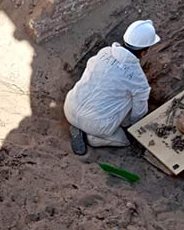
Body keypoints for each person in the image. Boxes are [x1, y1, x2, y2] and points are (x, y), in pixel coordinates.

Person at [64, 20, 161, 155]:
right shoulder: (138, 80)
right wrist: (130, 127)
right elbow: (138, 114)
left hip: (70, 107)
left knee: (114, 90)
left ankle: (79, 124)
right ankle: (91, 138)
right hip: (96, 126)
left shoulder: (104, 52)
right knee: (124, 139)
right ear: (144, 52)